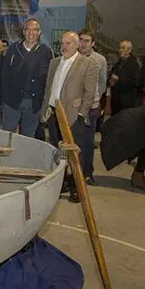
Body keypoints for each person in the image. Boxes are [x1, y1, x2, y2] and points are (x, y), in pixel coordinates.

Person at [40, 32, 98, 202]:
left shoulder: (88, 64)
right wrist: (45, 109)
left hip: (73, 117)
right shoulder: (54, 62)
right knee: (58, 153)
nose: (64, 46)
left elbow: (89, 93)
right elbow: (48, 87)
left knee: (73, 155)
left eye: (68, 43)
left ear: (77, 44)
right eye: (62, 43)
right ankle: (61, 184)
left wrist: (81, 114)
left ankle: (75, 188)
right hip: (53, 113)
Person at [0, 18, 54, 137]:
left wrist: (44, 104)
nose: (31, 33)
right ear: (23, 32)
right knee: (5, 137)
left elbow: (48, 81)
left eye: (34, 30)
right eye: (28, 29)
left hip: (33, 104)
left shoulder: (46, 52)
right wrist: (4, 100)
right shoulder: (13, 50)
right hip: (12, 102)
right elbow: (4, 76)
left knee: (28, 139)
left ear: (39, 32)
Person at [77, 30, 108, 185]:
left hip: (92, 108)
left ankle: (87, 173)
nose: (83, 43)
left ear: (93, 43)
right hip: (75, 107)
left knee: (89, 142)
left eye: (87, 41)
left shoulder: (100, 60)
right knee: (75, 141)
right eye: (81, 40)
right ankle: (73, 172)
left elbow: (102, 83)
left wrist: (93, 99)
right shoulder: (72, 57)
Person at [108, 40, 140, 115]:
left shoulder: (133, 64)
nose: (120, 50)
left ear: (129, 50)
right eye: (119, 48)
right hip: (115, 99)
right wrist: (110, 81)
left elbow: (134, 82)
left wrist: (118, 79)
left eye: (123, 48)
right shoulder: (117, 64)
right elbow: (111, 76)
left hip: (126, 101)